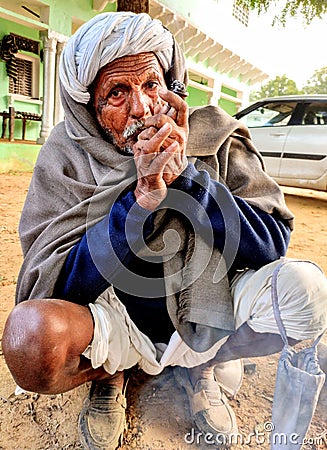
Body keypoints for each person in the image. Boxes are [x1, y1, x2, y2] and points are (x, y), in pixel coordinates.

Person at [2, 11, 327, 450]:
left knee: (305, 290)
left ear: (170, 87)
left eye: (151, 85)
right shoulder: (66, 156)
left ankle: (200, 367)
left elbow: (270, 243)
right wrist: (137, 205)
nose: (142, 108)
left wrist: (189, 179)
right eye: (117, 92)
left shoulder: (215, 134)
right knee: (29, 337)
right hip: (114, 318)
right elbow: (56, 283)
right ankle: (112, 372)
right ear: (88, 110)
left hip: (210, 309)